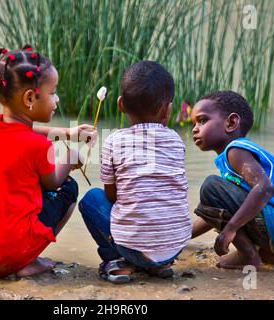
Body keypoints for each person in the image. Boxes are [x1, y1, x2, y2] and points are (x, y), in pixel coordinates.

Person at [0, 45, 95, 278]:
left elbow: (26, 131)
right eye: (53, 93)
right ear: (30, 98)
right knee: (68, 188)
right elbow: (52, 183)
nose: (57, 99)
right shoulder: (39, 146)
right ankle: (25, 261)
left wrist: (66, 134)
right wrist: (69, 159)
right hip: (8, 251)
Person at [78, 61, 192, 283]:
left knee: (92, 199)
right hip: (175, 247)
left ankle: (117, 261)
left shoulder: (114, 141)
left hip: (132, 248)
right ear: (167, 109)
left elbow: (111, 196)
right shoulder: (176, 140)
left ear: (120, 104)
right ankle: (160, 264)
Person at [191, 90, 274, 270]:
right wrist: (180, 237)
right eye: (194, 123)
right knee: (218, 193)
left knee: (211, 187)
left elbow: (265, 188)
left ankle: (248, 255)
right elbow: (216, 212)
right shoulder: (236, 156)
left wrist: (230, 229)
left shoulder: (236, 150)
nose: (194, 128)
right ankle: (267, 253)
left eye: (202, 120)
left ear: (231, 123)